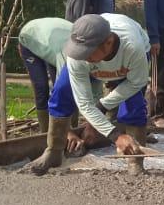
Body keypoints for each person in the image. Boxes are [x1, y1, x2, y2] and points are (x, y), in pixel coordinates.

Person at [27, 13, 148, 176]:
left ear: (108, 43)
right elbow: (84, 103)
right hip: (103, 62)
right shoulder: (78, 55)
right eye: (79, 52)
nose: (83, 57)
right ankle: (54, 151)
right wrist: (116, 136)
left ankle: (135, 159)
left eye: (88, 52)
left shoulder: (133, 48)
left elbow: (136, 83)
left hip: (126, 65)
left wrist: (103, 105)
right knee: (61, 93)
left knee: (134, 105)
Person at [18, 17, 71, 132]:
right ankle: (46, 132)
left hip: (52, 40)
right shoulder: (64, 56)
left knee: (66, 87)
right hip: (30, 38)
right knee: (41, 86)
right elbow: (61, 91)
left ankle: (71, 128)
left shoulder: (82, 48)